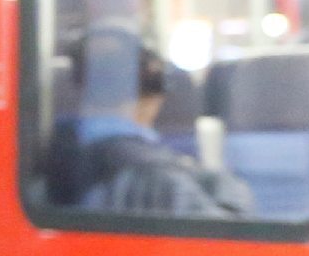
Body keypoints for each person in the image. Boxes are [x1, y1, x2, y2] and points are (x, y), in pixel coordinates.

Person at [46, 29, 253, 218]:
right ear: (153, 91)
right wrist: (226, 185)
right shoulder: (154, 177)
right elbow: (226, 233)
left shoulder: (57, 145)